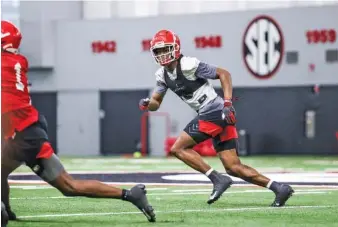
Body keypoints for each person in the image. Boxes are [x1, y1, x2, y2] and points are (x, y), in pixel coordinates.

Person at [1, 20, 156, 223]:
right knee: (69, 186)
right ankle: (131, 194)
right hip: (29, 132)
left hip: (22, 134)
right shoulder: (16, 61)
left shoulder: (6, 63)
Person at [139, 29, 294, 206]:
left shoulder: (189, 64)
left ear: (175, 47)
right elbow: (156, 103)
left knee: (177, 148)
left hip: (214, 109)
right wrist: (146, 103)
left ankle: (217, 179)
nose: (162, 54)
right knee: (233, 167)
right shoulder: (162, 75)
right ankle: (279, 189)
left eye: (165, 48)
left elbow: (224, 74)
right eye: (158, 51)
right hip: (214, 114)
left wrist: (228, 103)